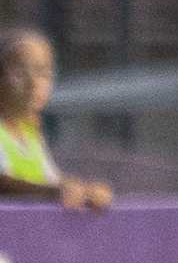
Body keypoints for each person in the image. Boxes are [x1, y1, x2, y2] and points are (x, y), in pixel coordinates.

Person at [0, 26, 112, 209]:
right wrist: (52, 191)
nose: (33, 84)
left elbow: (52, 182)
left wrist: (86, 192)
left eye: (43, 73)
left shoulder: (30, 134)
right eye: (19, 73)